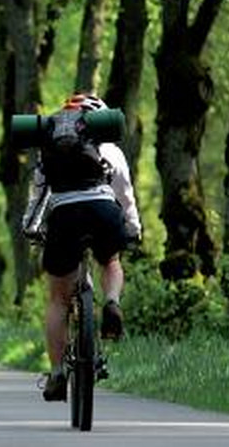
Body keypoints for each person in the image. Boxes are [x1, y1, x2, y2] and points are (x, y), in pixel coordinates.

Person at [20, 93, 142, 402]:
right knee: (111, 261)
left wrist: (30, 227)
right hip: (103, 210)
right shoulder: (110, 147)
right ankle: (112, 302)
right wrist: (133, 228)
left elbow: (38, 194)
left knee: (58, 298)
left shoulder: (49, 145)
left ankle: (58, 371)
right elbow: (124, 193)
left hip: (64, 216)